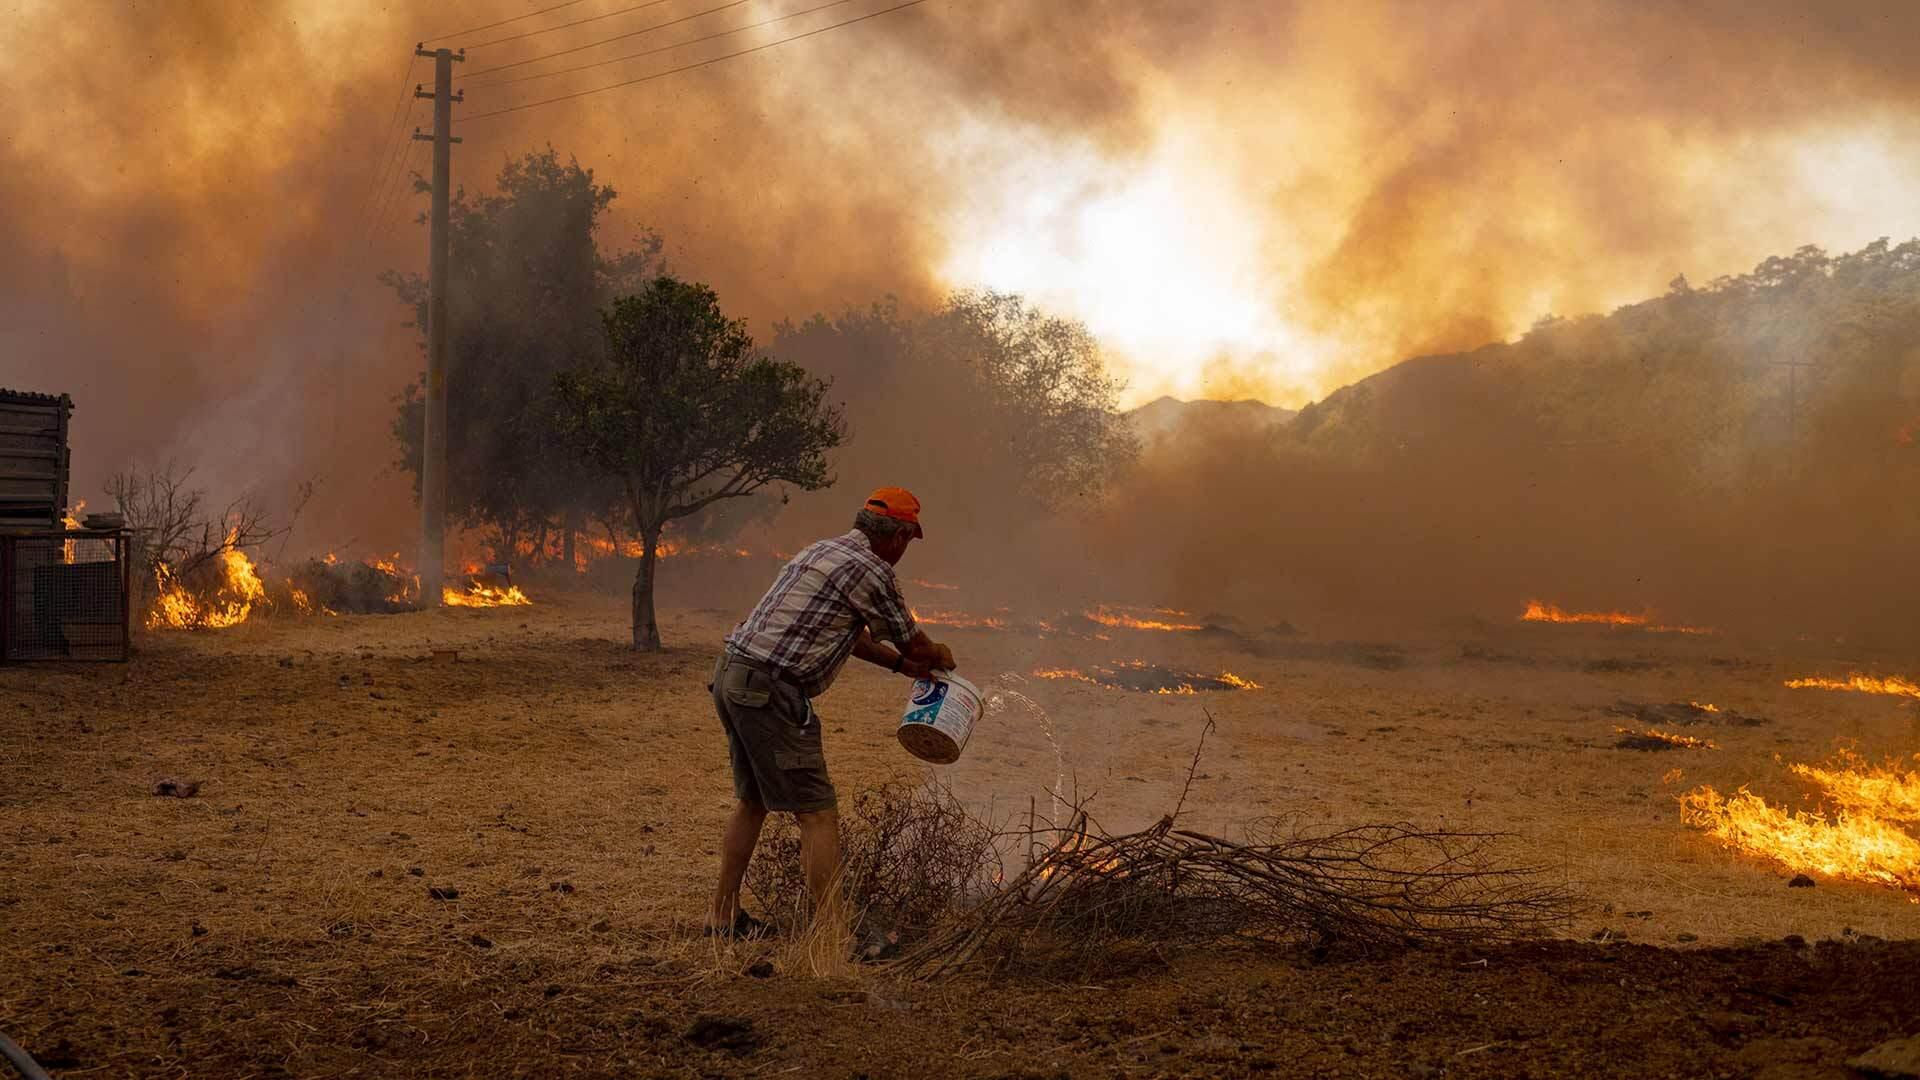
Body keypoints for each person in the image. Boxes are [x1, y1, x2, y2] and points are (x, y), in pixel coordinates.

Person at [705, 487, 957, 938]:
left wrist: (901, 667)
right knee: (818, 814)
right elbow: (914, 641)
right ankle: (833, 935)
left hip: (733, 675)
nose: (904, 551)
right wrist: (937, 654)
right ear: (898, 536)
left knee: (753, 801)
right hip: (770, 689)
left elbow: (852, 637)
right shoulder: (873, 570)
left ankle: (722, 916)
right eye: (908, 541)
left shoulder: (822, 550)